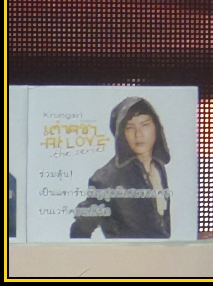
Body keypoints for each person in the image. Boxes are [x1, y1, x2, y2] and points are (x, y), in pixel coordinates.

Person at [70, 97, 171, 238]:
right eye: (130, 127)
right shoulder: (106, 178)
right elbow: (80, 230)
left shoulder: (158, 166)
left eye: (145, 125)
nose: (138, 134)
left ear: (156, 127)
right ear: (121, 133)